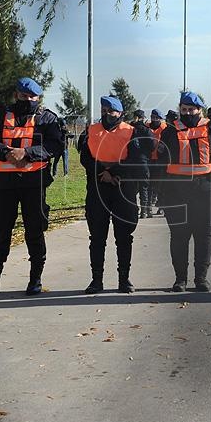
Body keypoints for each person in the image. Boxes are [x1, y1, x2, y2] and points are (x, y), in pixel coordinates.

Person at [0, 77, 64, 296]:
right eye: (24, 96)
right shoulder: (0, 115)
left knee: (35, 232)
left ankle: (35, 280)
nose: (28, 100)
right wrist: (8, 153)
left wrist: (27, 154)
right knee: (1, 232)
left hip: (34, 183)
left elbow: (55, 144)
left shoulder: (47, 118)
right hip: (4, 184)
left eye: (32, 97)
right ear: (16, 94)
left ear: (39, 97)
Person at [156, 91, 211, 292]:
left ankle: (201, 279)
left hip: (205, 189)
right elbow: (161, 159)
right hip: (176, 190)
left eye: (191, 109)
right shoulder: (169, 131)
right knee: (178, 236)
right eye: (183, 109)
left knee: (204, 236)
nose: (187, 113)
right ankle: (180, 280)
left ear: (200, 109)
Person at [77, 96, 149, 294]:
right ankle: (96, 281)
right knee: (97, 237)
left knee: (124, 236)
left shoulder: (132, 131)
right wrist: (102, 172)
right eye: (104, 110)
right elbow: (85, 157)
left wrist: (115, 172)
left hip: (123, 189)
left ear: (120, 113)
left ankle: (124, 280)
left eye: (112, 111)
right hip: (97, 188)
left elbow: (138, 162)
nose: (107, 114)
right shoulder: (91, 130)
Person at [145, 109, 168, 217]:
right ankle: (148, 208)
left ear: (160, 118)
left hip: (160, 160)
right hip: (148, 159)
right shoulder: (147, 127)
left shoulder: (164, 128)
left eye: (156, 117)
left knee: (160, 185)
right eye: (153, 117)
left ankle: (161, 206)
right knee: (148, 185)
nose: (154, 119)